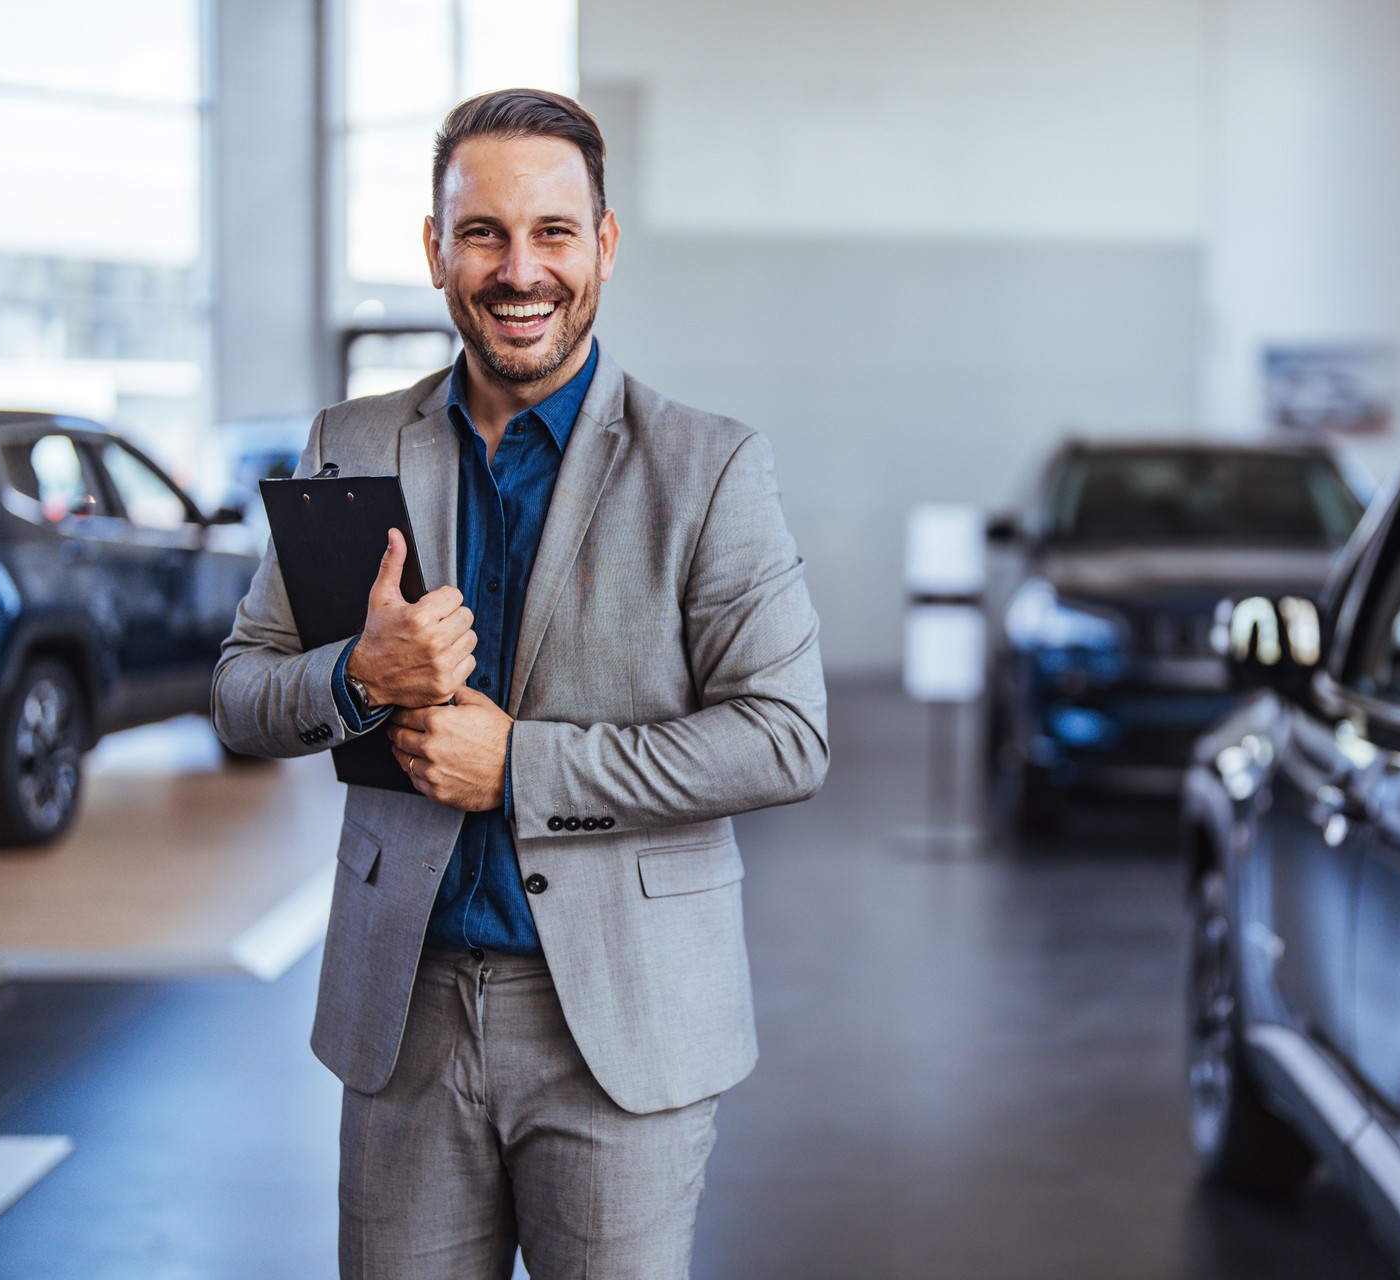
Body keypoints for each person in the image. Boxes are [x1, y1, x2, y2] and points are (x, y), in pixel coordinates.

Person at [212, 88, 828, 1280]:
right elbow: (242, 692)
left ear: (602, 242)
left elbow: (785, 736)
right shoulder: (351, 441)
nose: (518, 269)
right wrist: (355, 674)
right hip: (404, 1013)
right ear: (435, 249)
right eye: (483, 231)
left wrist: (523, 766)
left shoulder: (709, 466)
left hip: (620, 1018)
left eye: (552, 230)